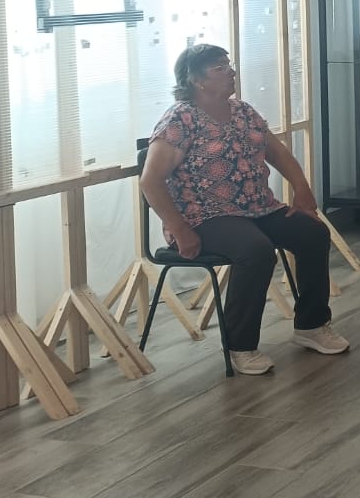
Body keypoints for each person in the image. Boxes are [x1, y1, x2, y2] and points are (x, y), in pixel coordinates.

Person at [141, 44, 348, 376]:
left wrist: (302, 189)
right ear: (197, 80)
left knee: (313, 233)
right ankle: (241, 345)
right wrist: (179, 228)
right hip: (204, 217)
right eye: (220, 68)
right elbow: (150, 181)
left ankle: (311, 325)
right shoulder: (180, 119)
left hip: (257, 208)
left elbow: (278, 154)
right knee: (256, 250)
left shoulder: (243, 112)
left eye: (229, 65)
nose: (231, 72)